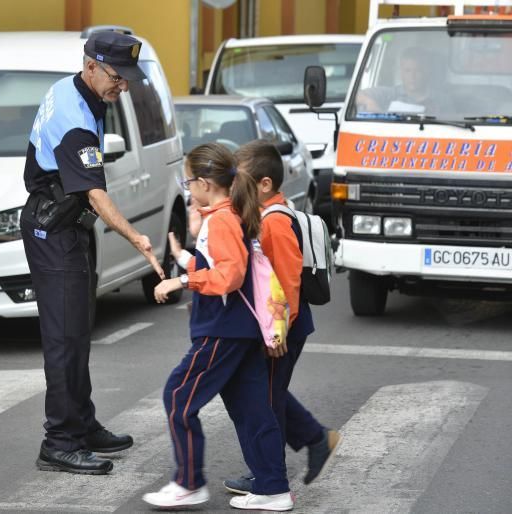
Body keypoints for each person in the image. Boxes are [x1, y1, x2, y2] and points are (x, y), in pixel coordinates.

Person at [21, 31, 164, 476]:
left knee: (79, 332)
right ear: (91, 67)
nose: (123, 87)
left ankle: (81, 424)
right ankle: (59, 441)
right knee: (64, 340)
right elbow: (96, 194)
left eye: (126, 80)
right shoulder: (74, 117)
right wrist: (136, 237)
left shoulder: (74, 88)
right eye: (117, 78)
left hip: (68, 228)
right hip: (54, 232)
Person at [142, 143, 293, 511]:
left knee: (178, 397)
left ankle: (189, 482)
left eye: (189, 180)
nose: (187, 188)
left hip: (223, 330)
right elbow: (223, 266)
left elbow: (229, 275)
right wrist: (185, 256)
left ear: (206, 183)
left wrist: (179, 282)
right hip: (237, 329)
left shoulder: (223, 219)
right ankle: (273, 488)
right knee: (253, 408)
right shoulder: (226, 215)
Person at [223, 140, 341, 497]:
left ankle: (269, 476)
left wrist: (277, 334)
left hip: (282, 326)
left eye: (239, 182)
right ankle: (315, 438)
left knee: (264, 401)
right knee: (266, 393)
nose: (233, 190)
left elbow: (288, 281)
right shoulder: (269, 214)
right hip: (280, 322)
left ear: (264, 185)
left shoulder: (274, 222)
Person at [356, 46, 447, 115]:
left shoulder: (441, 99)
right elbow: (355, 95)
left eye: (418, 70)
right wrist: (369, 102)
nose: (412, 76)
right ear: (401, 72)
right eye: (407, 71)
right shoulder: (390, 94)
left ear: (426, 71)